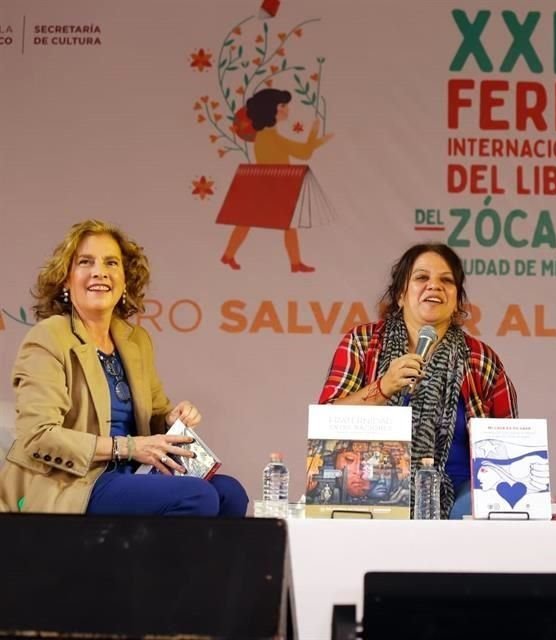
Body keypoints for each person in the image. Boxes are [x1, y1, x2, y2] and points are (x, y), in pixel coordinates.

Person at [0, 220, 248, 516]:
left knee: (230, 493)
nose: (99, 272)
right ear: (66, 279)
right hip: (74, 481)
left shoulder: (134, 340)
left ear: (125, 279)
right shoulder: (48, 337)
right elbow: (37, 436)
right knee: (196, 496)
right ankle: (142, 564)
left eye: (111, 263)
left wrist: (172, 418)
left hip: (133, 472)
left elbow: (154, 417)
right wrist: (128, 448)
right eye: (85, 262)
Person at [318, 243, 518, 519]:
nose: (434, 286)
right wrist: (382, 388)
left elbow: (511, 448)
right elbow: (325, 426)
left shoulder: (480, 359)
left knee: (475, 506)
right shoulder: (363, 343)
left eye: (446, 280)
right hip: (373, 484)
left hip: (459, 495)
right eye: (422, 278)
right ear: (400, 294)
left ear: (457, 299)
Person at [220, 88, 334, 273]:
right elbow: (303, 152)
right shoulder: (269, 137)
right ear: (270, 110)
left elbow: (302, 151)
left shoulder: (268, 136)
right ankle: (229, 255)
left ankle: (293, 263)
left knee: (260, 223)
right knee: (251, 222)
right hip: (270, 186)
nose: (287, 109)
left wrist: (317, 139)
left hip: (273, 185)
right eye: (282, 106)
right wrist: (314, 135)